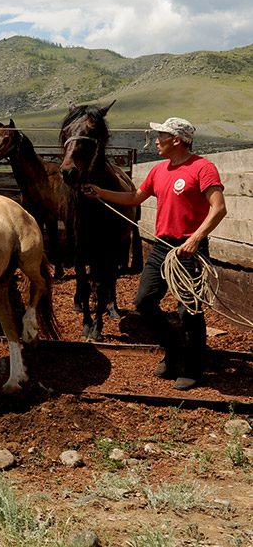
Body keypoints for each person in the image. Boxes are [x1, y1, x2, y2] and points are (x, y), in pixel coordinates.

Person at [82, 117, 227, 391]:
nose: (156, 140)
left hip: (189, 250)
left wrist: (196, 238)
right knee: (144, 302)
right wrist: (100, 193)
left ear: (177, 140)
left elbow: (218, 208)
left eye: (161, 135)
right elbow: (135, 198)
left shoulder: (203, 168)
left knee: (189, 311)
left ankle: (193, 369)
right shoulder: (159, 170)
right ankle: (174, 349)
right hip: (162, 247)